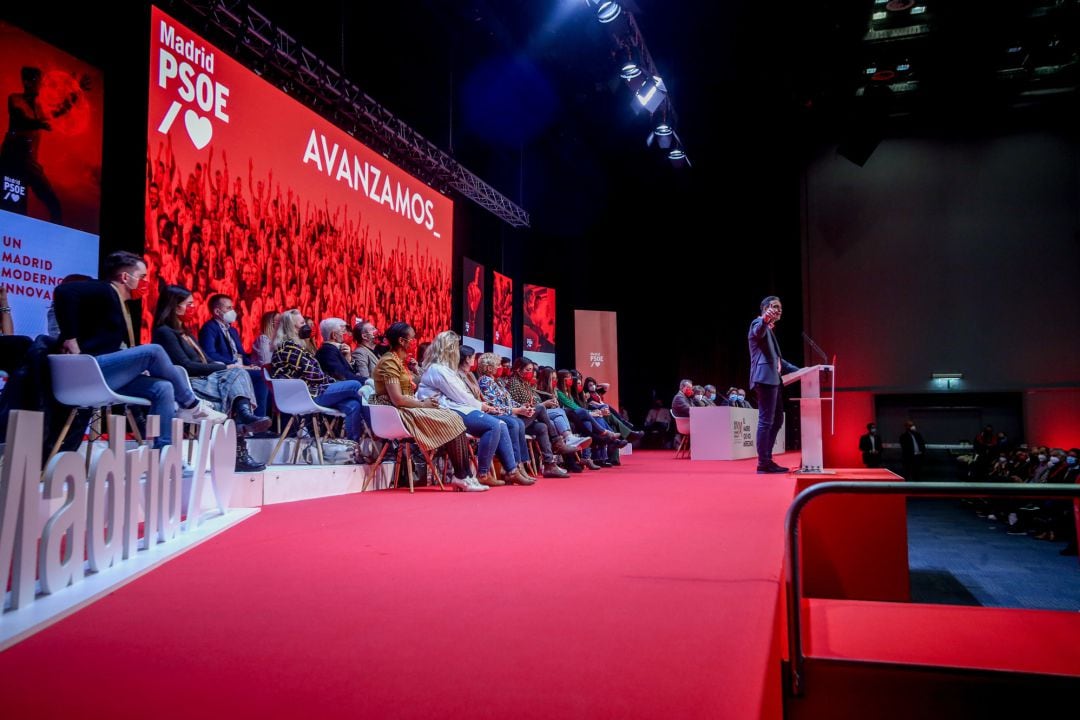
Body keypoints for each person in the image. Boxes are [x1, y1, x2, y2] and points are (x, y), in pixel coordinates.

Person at [53, 251, 226, 450]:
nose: (145, 282)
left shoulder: (119, 303)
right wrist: (69, 336)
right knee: (153, 351)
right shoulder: (106, 290)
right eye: (142, 277)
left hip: (106, 375)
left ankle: (164, 451)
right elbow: (64, 292)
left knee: (163, 388)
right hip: (91, 371)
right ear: (126, 277)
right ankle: (192, 404)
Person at [152, 285, 269, 471]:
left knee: (238, 379)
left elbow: (204, 359)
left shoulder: (186, 333)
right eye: (189, 304)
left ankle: (243, 419)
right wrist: (225, 366)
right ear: (175, 307)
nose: (193, 308)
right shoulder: (165, 332)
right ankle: (243, 426)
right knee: (237, 375)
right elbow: (186, 365)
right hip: (187, 385)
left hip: (205, 381)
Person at [372, 322, 480, 491]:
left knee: (454, 418)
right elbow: (398, 399)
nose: (414, 342)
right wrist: (424, 403)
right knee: (451, 419)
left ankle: (465, 475)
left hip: (409, 408)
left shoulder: (400, 362)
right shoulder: (389, 363)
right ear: (402, 341)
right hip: (397, 413)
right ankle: (462, 476)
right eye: (412, 338)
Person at [418, 333, 534, 486]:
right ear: (449, 349)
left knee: (501, 424)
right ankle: (484, 473)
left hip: (457, 408)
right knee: (494, 425)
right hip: (447, 411)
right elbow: (460, 396)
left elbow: (462, 396)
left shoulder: (445, 369)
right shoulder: (438, 369)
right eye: (455, 348)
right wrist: (482, 406)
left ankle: (511, 470)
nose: (458, 353)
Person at [748, 296, 799, 474]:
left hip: (773, 380)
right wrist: (764, 319)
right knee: (766, 421)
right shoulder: (758, 323)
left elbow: (779, 361)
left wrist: (804, 371)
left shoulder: (770, 331)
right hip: (764, 379)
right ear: (765, 308)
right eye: (775, 307)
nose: (779, 310)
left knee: (778, 420)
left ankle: (767, 459)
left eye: (780, 307)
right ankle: (763, 463)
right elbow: (757, 332)